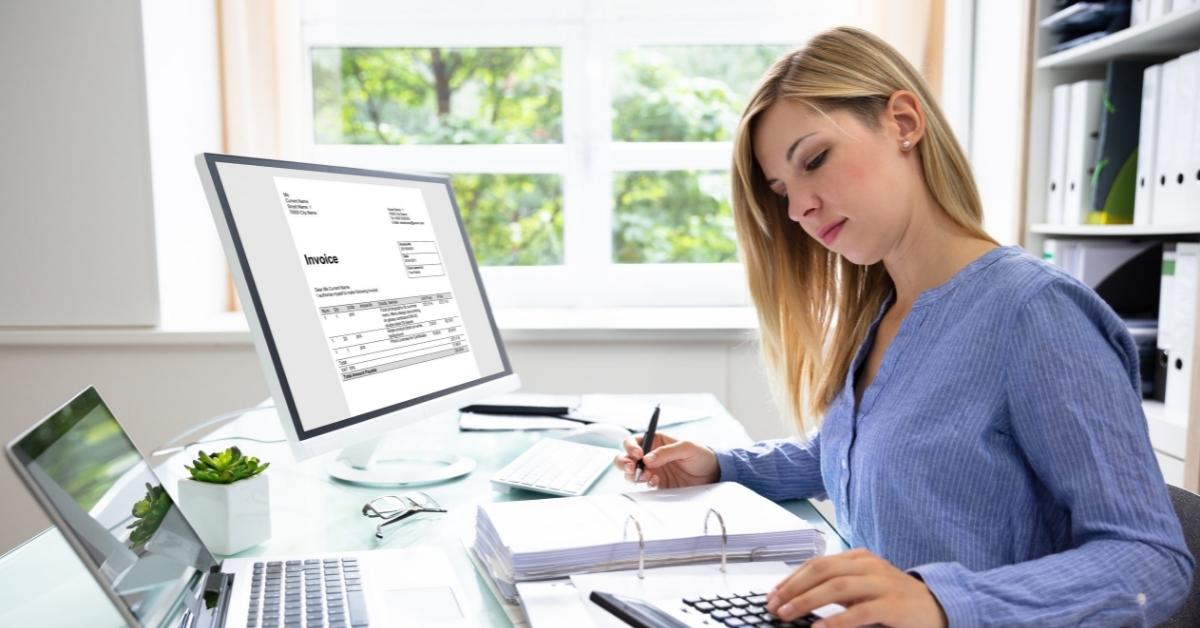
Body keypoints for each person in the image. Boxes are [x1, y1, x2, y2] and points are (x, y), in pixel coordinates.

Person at [614, 26, 1193, 628]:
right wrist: (722, 465)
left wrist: (944, 602)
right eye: (782, 190)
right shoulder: (883, 310)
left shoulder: (1035, 313)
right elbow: (863, 454)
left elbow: (1149, 560)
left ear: (904, 122)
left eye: (814, 160)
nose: (797, 208)